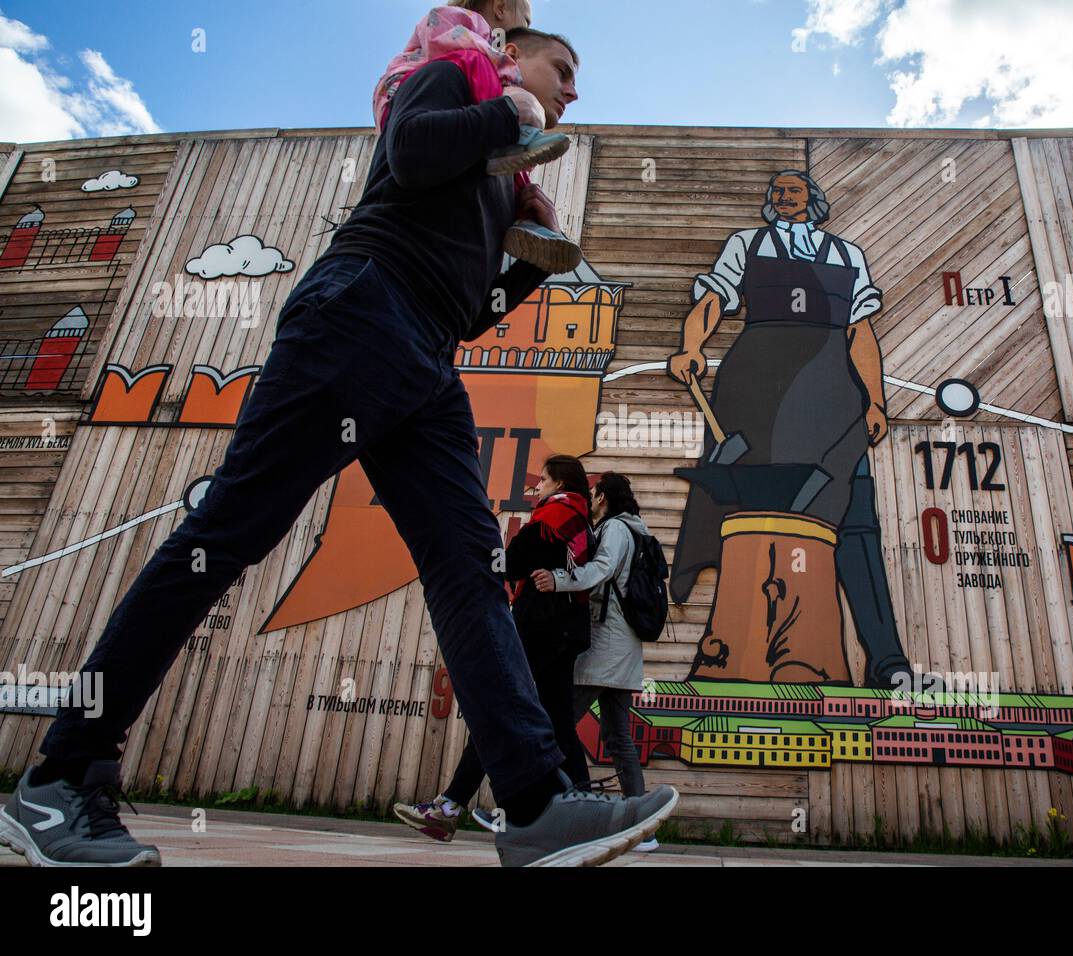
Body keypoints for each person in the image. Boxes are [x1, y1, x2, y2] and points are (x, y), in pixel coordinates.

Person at [0, 27, 675, 869]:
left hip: (427, 362)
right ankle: (62, 779)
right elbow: (415, 152)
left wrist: (532, 260)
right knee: (226, 537)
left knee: (469, 566)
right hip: (359, 311)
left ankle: (535, 803)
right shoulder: (449, 84)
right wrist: (505, 111)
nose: (572, 92)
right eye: (561, 73)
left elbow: (467, 311)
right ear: (508, 58)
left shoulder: (503, 180)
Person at [666, 169, 916, 690]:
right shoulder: (745, 244)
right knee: (743, 511)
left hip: (830, 393)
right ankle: (745, 649)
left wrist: (875, 400)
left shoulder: (847, 255)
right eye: (777, 191)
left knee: (855, 518)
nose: (783, 197)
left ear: (813, 201)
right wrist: (692, 346)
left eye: (793, 190)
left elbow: (859, 331)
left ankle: (888, 662)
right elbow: (712, 303)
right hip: (754, 389)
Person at [395, 455, 596, 841]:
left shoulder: (553, 519)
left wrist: (475, 552)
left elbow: (511, 561)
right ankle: (582, 812)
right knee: (555, 721)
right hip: (566, 633)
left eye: (543, 481)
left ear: (558, 484)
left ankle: (450, 805)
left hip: (539, 629)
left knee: (501, 710)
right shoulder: (580, 520)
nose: (537, 487)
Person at [373, 1, 581, 272]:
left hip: (437, 312)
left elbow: (477, 305)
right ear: (500, 7)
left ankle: (529, 224)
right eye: (526, 22)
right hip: (373, 290)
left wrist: (541, 262)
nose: (572, 94)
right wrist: (509, 107)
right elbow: (408, 153)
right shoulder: (464, 55)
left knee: (518, 175)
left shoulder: (486, 150)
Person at [532, 472, 659, 852]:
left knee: (556, 726)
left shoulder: (617, 530)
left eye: (593, 493)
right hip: (624, 650)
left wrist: (558, 579)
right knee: (619, 738)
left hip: (605, 647)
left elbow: (601, 570)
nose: (590, 498)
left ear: (602, 496)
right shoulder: (639, 530)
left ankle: (555, 815)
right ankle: (642, 830)